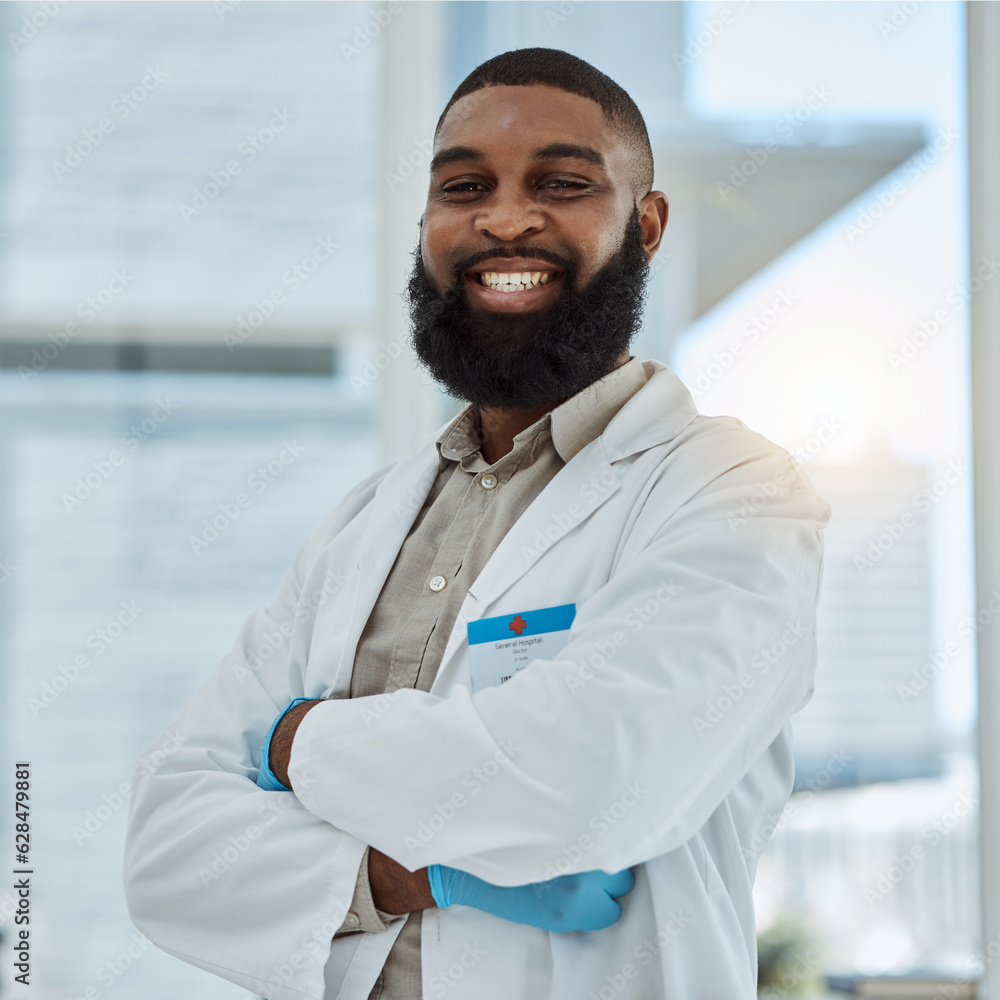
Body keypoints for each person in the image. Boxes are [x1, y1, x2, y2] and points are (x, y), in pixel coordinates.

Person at [123, 47, 830, 1000]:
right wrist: (417, 875)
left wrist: (294, 743)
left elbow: (596, 779)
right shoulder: (363, 525)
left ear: (647, 224)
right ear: (426, 225)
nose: (504, 217)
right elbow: (167, 848)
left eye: (563, 183)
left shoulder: (735, 491)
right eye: (464, 186)